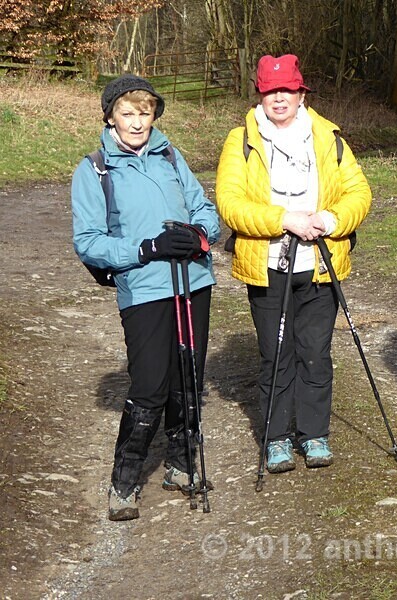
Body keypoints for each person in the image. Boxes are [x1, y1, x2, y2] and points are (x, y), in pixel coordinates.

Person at [72, 74, 221, 521]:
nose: (138, 122)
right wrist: (145, 248)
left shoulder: (171, 157)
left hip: (193, 282)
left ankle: (180, 465)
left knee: (189, 379)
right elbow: (88, 241)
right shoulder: (95, 169)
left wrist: (197, 236)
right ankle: (124, 482)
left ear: (154, 114)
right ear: (110, 116)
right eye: (128, 113)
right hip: (144, 289)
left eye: (145, 112)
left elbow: (206, 211)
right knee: (150, 386)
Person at [215, 54, 371, 474]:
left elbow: (358, 192)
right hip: (267, 264)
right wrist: (284, 220)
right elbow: (229, 204)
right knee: (276, 355)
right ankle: (277, 437)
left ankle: (315, 435)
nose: (278, 98)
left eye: (286, 90)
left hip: (320, 263)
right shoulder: (241, 140)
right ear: (260, 95)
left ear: (301, 92)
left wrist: (329, 220)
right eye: (270, 91)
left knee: (316, 353)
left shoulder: (328, 136)